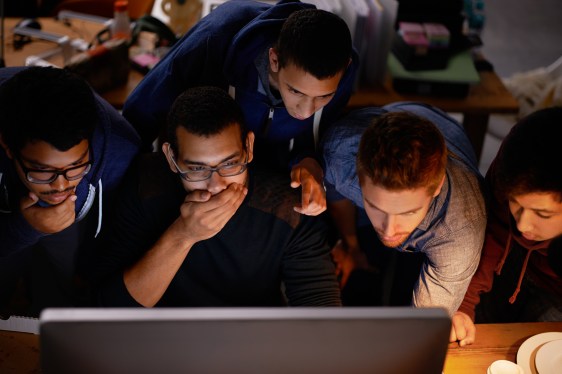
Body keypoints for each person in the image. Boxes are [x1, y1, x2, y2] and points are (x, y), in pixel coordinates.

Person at [95, 86, 341, 307]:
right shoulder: (144, 185)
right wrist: (182, 235)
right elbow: (110, 307)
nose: (216, 185)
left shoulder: (288, 207)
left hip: (252, 343)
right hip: (162, 341)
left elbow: (321, 312)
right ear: (170, 158)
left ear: (249, 148)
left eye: (230, 164)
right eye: (197, 169)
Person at [123, 0, 358, 217]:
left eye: (324, 96)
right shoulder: (213, 40)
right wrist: (132, 185)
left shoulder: (341, 69)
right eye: (296, 91)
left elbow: (316, 136)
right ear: (274, 60)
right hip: (202, 177)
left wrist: (309, 160)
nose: (306, 112)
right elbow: (142, 111)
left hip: (269, 184)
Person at [321, 102, 487, 314]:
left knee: (406, 282)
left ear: (436, 187)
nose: (389, 230)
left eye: (408, 212)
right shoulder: (338, 153)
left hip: (445, 126)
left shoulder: (461, 231)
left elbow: (424, 326)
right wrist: (351, 246)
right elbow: (335, 190)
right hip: (395, 113)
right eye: (375, 206)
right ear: (359, 178)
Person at [0, 66, 141, 316]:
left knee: (57, 283)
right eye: (42, 170)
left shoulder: (121, 150)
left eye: (76, 167)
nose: (61, 186)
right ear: (7, 146)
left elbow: (114, 238)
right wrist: (23, 228)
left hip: (77, 221)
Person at [451, 107, 562, 346]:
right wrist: (464, 305)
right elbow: (493, 231)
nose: (522, 226)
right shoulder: (513, 161)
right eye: (515, 204)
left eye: (542, 213)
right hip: (510, 263)